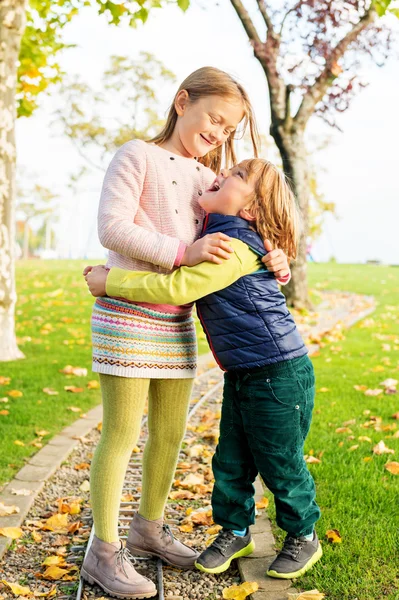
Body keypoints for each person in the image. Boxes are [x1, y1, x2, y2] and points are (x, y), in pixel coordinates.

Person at [81, 67, 291, 599]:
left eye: (229, 128)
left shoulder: (206, 177)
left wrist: (275, 254)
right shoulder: (136, 155)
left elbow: (243, 225)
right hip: (128, 317)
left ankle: (148, 528)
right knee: (123, 432)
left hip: (177, 322)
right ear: (182, 102)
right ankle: (102, 553)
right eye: (213, 119)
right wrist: (182, 253)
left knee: (171, 434)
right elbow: (113, 226)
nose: (218, 133)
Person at [85, 158, 322, 582]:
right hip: (246, 371)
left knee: (279, 461)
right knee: (230, 459)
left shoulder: (231, 245)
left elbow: (180, 287)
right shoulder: (223, 233)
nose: (221, 174)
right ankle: (235, 530)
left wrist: (112, 282)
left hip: (279, 374)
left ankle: (303, 534)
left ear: (249, 209)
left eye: (236, 176)